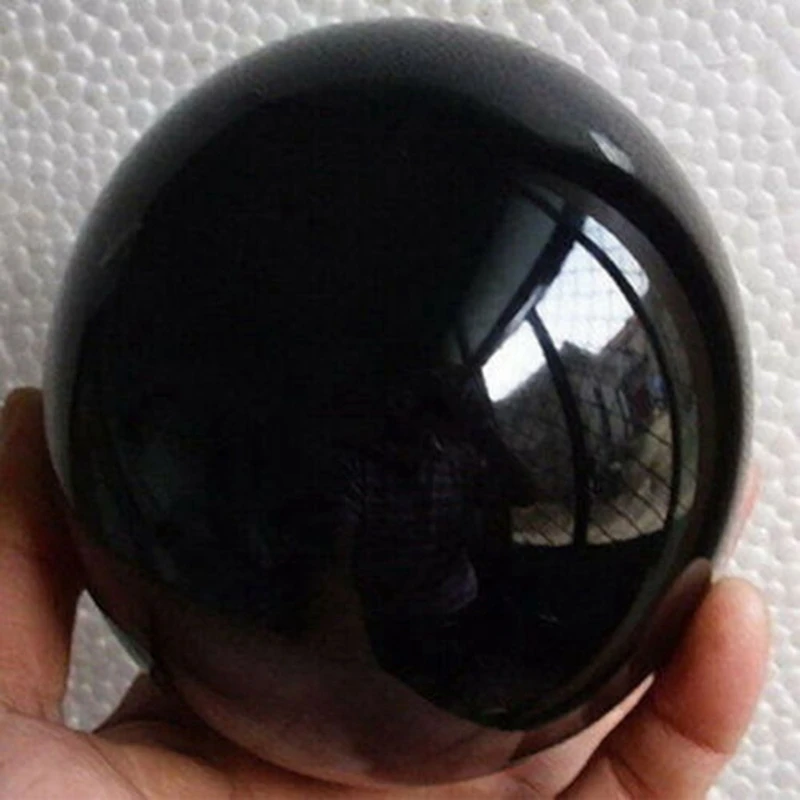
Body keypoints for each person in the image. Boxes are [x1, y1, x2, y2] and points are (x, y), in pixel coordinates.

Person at [0, 388, 769, 798]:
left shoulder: (460, 460)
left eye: (434, 415)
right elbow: (338, 545)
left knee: (458, 683)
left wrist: (483, 462)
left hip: (460, 605)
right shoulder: (364, 474)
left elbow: (512, 501)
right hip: (380, 623)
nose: (418, 431)